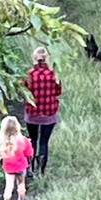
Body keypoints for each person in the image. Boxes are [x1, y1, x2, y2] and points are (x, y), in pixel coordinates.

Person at [23, 47, 61, 176]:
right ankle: (42, 170)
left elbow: (23, 91)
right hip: (49, 113)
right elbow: (58, 92)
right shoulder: (53, 74)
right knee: (44, 141)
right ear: (47, 58)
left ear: (34, 58)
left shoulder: (28, 74)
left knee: (33, 139)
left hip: (32, 113)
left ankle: (30, 167)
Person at [0, 116, 33, 200]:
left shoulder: (2, 142)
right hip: (21, 167)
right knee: (21, 184)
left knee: (9, 186)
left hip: (9, 168)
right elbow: (29, 153)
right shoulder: (23, 140)